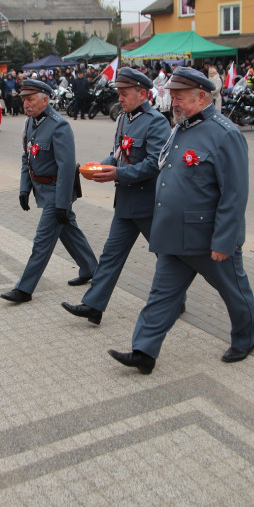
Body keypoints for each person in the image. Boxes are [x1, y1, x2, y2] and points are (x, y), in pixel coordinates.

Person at [107, 67, 254, 375]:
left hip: (207, 237)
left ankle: (245, 338)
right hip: (175, 235)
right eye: (172, 97)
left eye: (179, 98)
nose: (173, 103)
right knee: (161, 295)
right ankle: (144, 351)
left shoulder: (225, 134)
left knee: (233, 291)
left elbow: (234, 194)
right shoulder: (180, 127)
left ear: (202, 97)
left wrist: (224, 240)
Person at [61, 67, 172, 326]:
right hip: (125, 203)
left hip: (147, 204)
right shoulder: (123, 118)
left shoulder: (156, 121)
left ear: (143, 93)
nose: (119, 99)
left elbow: (155, 163)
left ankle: (174, 299)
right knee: (111, 254)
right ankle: (93, 305)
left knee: (165, 257)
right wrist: (100, 167)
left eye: (124, 94)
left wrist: (118, 174)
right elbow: (118, 154)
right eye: (118, 94)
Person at [0, 79, 98, 304]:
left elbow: (66, 167)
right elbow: (27, 157)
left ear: (45, 99)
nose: (26, 103)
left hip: (57, 191)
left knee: (42, 241)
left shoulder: (59, 125)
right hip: (42, 189)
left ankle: (24, 289)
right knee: (67, 229)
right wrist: (24, 188)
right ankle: (90, 268)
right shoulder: (30, 123)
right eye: (24, 99)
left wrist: (62, 203)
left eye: (30, 99)